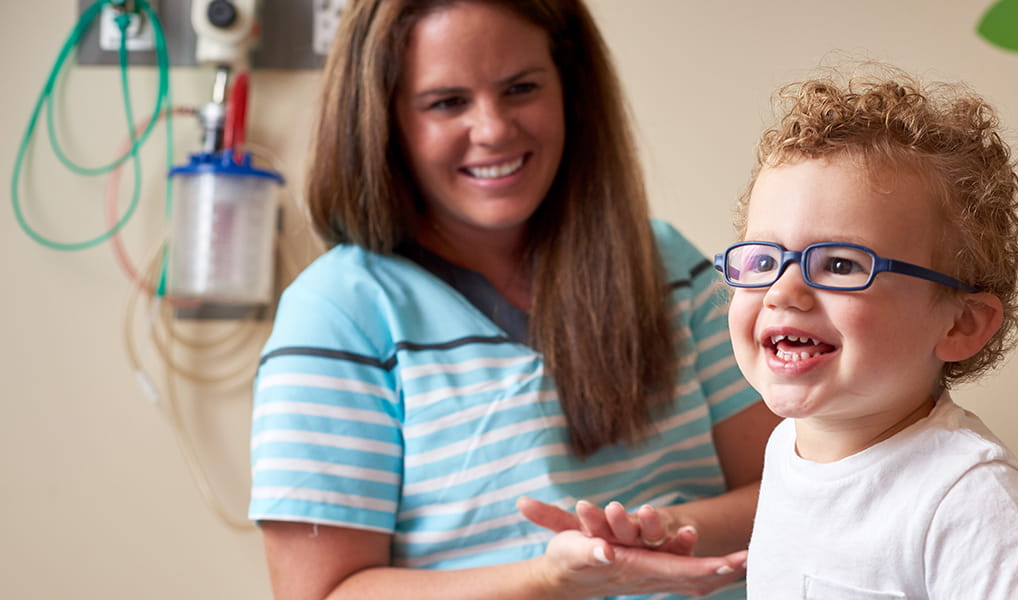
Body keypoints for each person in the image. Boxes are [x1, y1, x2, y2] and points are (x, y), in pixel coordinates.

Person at [248, 1, 778, 598]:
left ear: (571, 91)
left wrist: (662, 533)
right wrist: (550, 579)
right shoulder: (335, 315)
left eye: (521, 88)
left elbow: (794, 482)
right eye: (447, 102)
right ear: (383, 120)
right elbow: (324, 592)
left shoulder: (667, 265)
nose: (494, 129)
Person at [719, 67, 1018, 598]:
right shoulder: (786, 451)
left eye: (842, 265)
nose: (783, 290)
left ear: (960, 324)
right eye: (762, 258)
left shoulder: (967, 495)